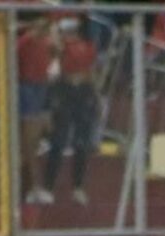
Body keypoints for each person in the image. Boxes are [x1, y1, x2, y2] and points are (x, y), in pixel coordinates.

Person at [42, 17, 97, 206]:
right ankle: (49, 187)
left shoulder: (87, 46)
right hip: (64, 92)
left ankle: (77, 187)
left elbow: (90, 71)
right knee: (58, 142)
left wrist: (95, 96)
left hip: (82, 93)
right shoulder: (59, 47)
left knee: (81, 143)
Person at [18, 14, 57, 204]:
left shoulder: (46, 42)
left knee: (32, 142)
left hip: (40, 88)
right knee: (29, 142)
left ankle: (30, 188)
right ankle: (32, 187)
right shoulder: (26, 41)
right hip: (28, 88)